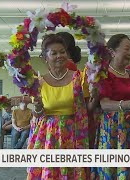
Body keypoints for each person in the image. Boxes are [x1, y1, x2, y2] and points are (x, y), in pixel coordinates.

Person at [27, 33, 90, 179]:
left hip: (73, 133)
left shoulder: (79, 78)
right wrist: (37, 106)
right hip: (48, 135)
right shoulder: (38, 81)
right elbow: (37, 115)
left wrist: (97, 93)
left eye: (62, 52)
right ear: (45, 57)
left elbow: (88, 108)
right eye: (53, 53)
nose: (59, 56)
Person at [91, 34, 130, 179]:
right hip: (115, 127)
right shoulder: (104, 74)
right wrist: (127, 104)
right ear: (112, 51)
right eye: (126, 49)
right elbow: (104, 104)